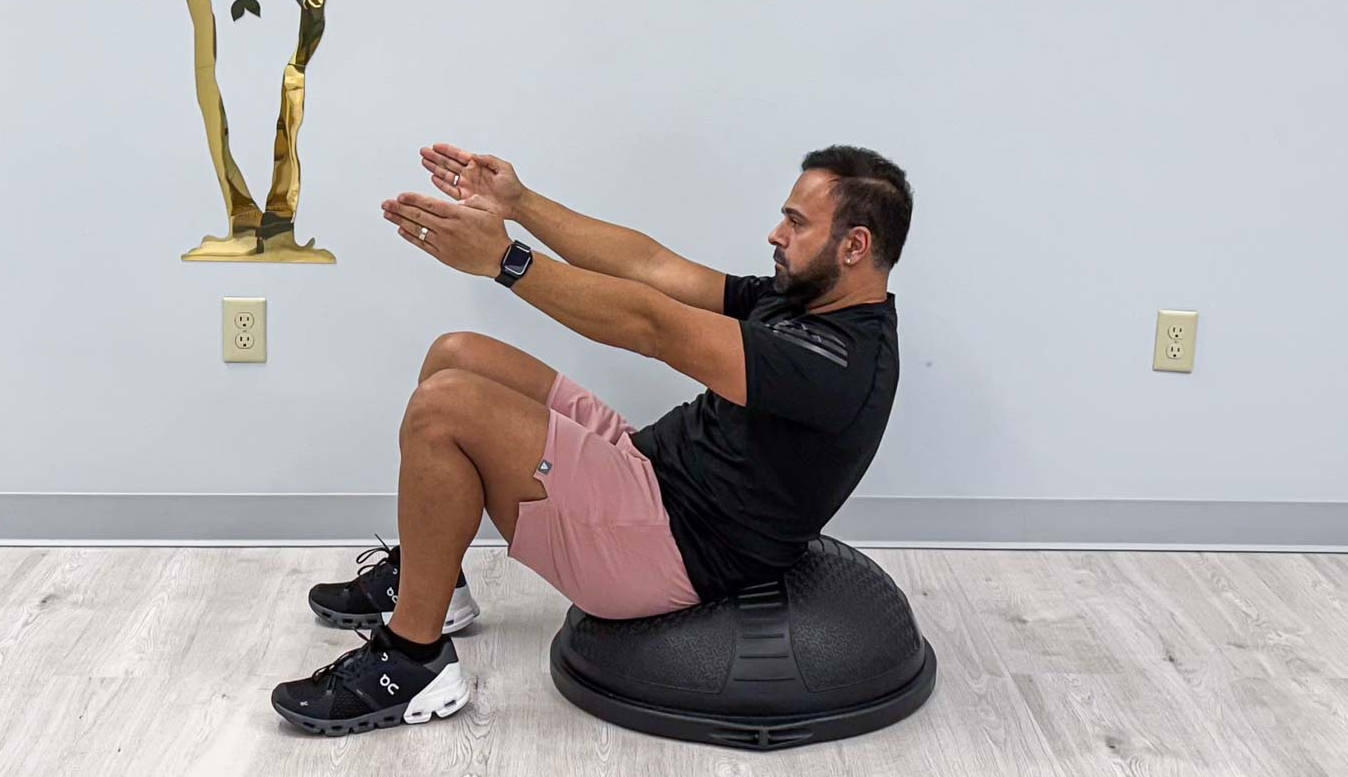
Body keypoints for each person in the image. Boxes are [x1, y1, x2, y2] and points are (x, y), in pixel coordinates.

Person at [270, 144, 913, 736]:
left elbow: (653, 326)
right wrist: (518, 204)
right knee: (456, 355)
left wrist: (504, 261)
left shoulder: (839, 364)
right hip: (649, 469)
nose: (777, 234)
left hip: (667, 543)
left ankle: (412, 662)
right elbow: (651, 267)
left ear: (854, 245)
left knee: (444, 410)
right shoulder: (803, 300)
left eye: (797, 223)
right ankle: (433, 581)